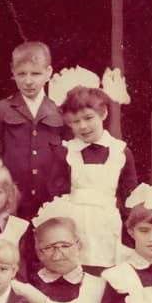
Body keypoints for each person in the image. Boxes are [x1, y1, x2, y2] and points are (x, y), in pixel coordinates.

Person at [57, 86, 138, 267]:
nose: (83, 126)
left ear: (103, 113)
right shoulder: (67, 151)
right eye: (75, 121)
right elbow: (58, 193)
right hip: (74, 223)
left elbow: (129, 197)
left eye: (88, 118)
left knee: (108, 270)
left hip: (108, 224)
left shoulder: (120, 151)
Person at [0, 41, 68, 219]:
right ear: (13, 72)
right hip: (12, 201)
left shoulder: (60, 112)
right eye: (21, 74)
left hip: (51, 201)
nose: (28, 81)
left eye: (35, 73)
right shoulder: (0, 110)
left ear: (48, 73)